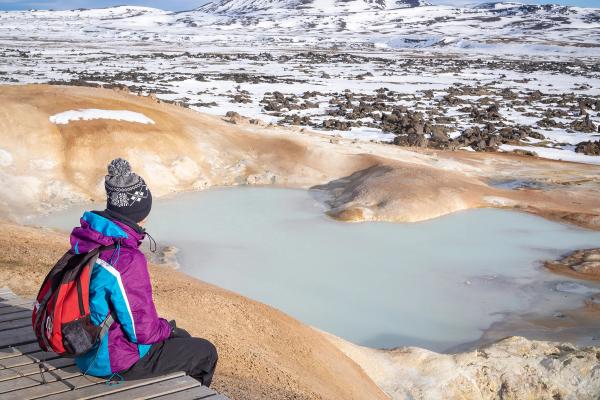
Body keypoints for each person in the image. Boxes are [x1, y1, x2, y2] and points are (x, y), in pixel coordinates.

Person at [71, 158, 218, 386]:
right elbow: (143, 332)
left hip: (83, 345)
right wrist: (167, 328)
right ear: (139, 210)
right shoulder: (126, 259)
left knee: (182, 337)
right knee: (205, 352)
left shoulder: (89, 239)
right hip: (109, 358)